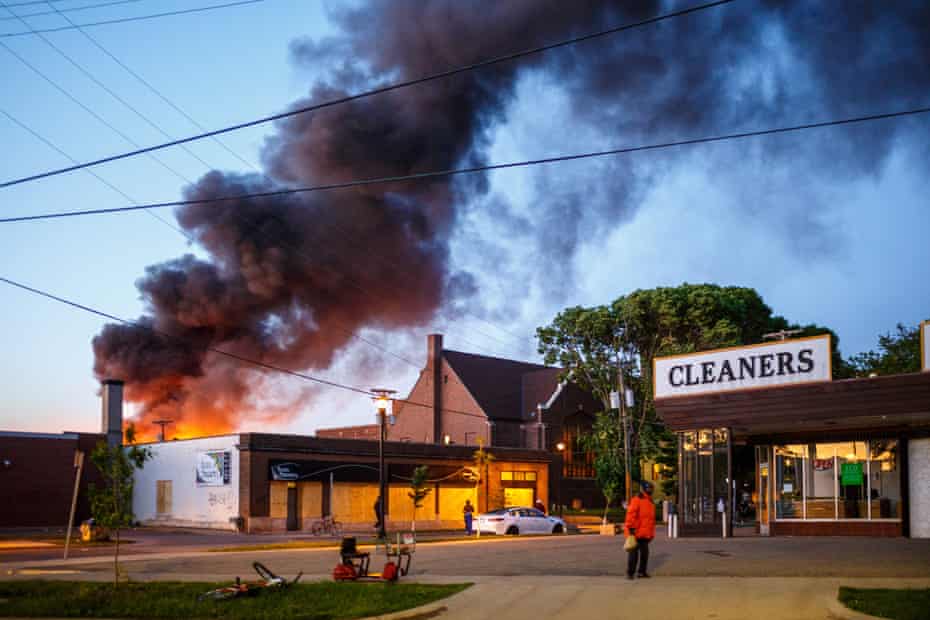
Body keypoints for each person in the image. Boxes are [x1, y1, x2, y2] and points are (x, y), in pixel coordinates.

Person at [624, 481, 656, 580]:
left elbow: (650, 519)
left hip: (645, 533)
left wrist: (650, 534)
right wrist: (631, 529)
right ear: (643, 489)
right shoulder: (637, 500)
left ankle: (642, 572)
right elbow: (631, 514)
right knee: (633, 554)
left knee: (644, 554)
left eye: (651, 488)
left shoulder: (650, 501)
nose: (650, 490)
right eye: (648, 488)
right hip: (635, 532)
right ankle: (630, 573)